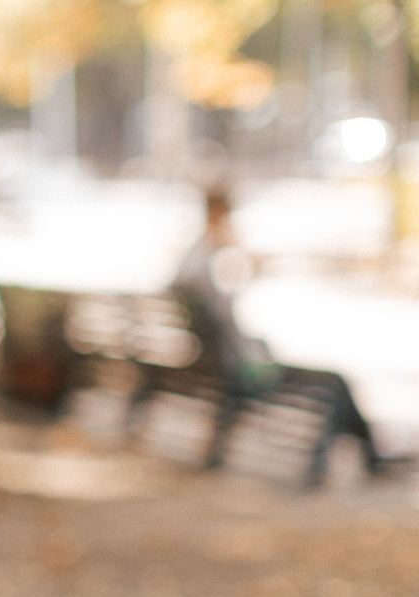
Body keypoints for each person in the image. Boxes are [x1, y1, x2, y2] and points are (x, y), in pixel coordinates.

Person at [169, 185, 400, 485]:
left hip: (210, 365)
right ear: (220, 214)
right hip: (235, 369)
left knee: (334, 384)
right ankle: (367, 459)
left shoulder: (191, 260)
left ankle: (373, 457)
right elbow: (227, 319)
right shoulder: (210, 260)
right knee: (333, 383)